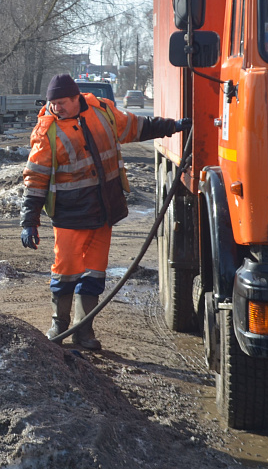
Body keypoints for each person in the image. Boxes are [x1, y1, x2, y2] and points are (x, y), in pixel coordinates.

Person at [20, 74, 191, 350]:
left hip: (104, 211)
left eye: (62, 102)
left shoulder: (103, 113)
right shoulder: (47, 130)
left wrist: (173, 126)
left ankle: (84, 330)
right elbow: (35, 177)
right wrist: (29, 220)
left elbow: (136, 127)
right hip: (71, 215)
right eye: (53, 103)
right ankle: (59, 326)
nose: (57, 108)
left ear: (76, 98)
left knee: (94, 273)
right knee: (65, 272)